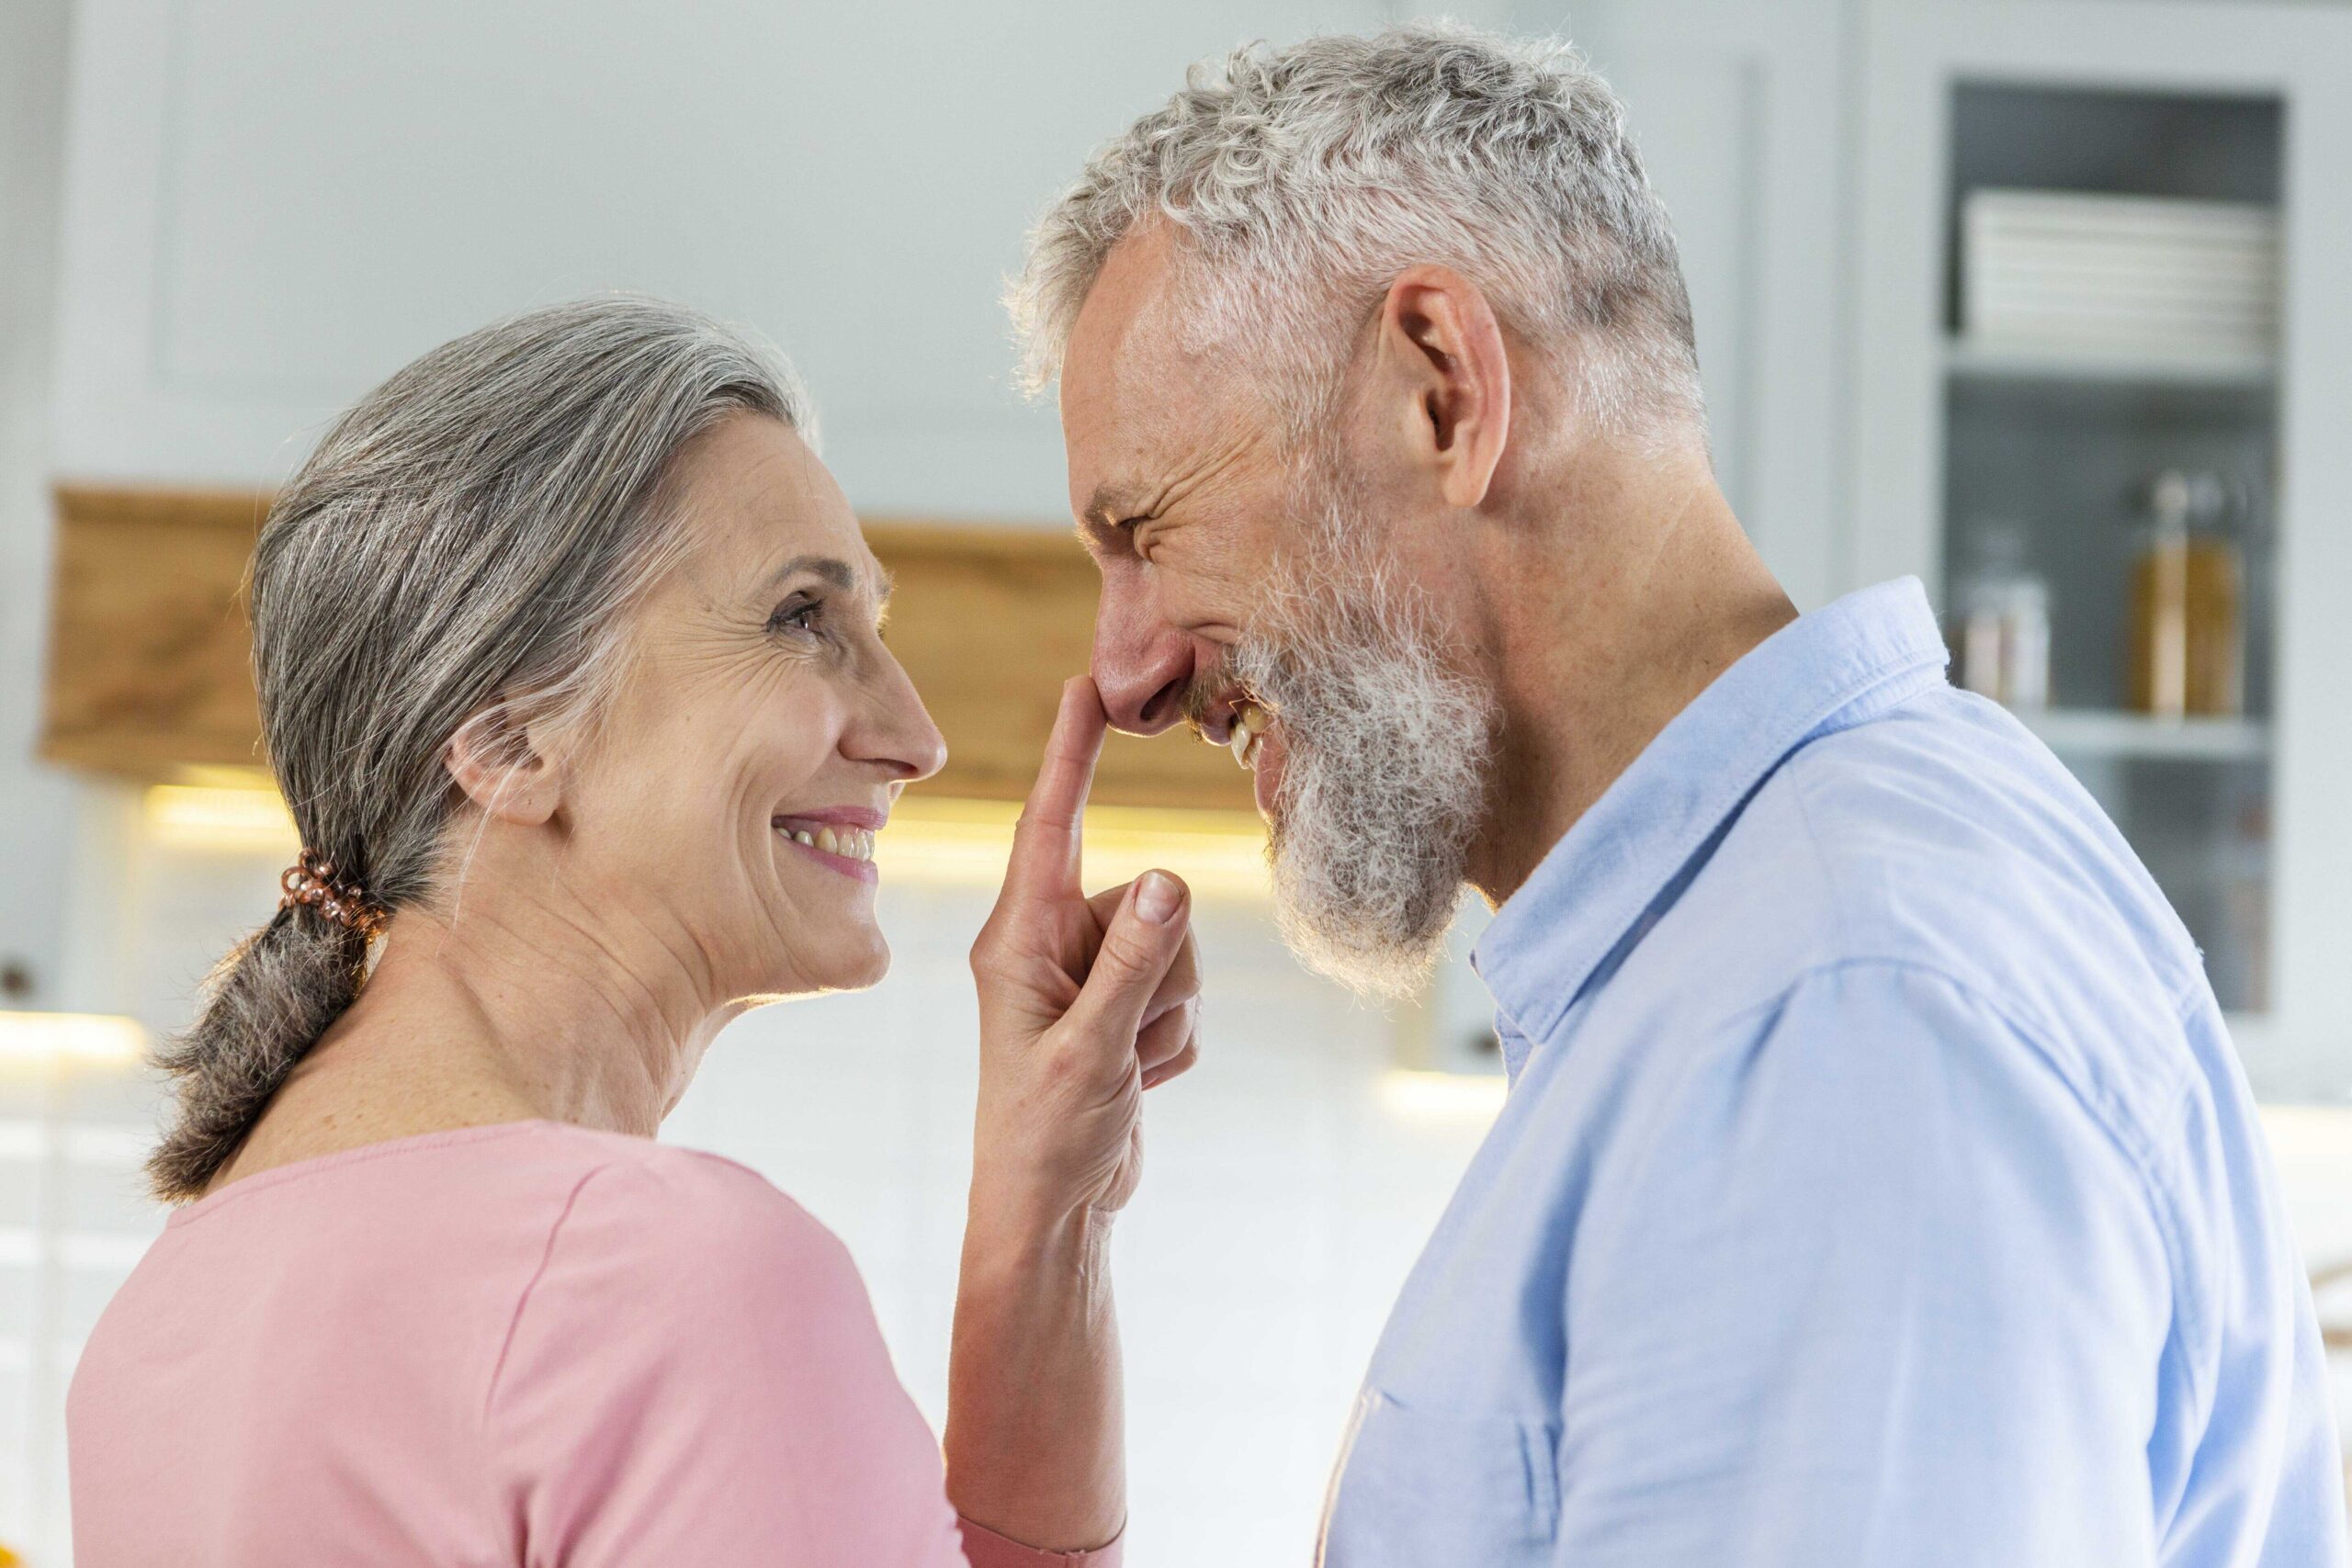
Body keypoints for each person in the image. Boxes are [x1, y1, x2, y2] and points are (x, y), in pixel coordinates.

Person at [1010, 24, 2347, 1566]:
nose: (1125, 673)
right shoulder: (1752, 955)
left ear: (1441, 390)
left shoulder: (1834, 1013)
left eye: (1147, 526)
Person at [66, 297, 1195, 1565]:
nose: (915, 736)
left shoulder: (177, 1301)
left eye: (878, 626)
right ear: (506, 742)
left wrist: (1048, 1211)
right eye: (802, 621)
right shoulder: (660, 1277)